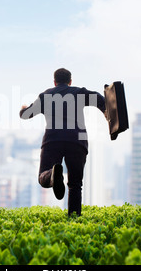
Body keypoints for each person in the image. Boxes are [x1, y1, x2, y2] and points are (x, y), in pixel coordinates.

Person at [19, 68, 106, 216]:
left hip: (53, 140)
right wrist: (106, 112)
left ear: (54, 82)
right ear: (70, 81)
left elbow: (25, 115)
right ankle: (74, 219)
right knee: (75, 184)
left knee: (43, 177)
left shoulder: (46, 96)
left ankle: (52, 175)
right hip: (77, 141)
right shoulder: (78, 92)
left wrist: (23, 109)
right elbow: (99, 99)